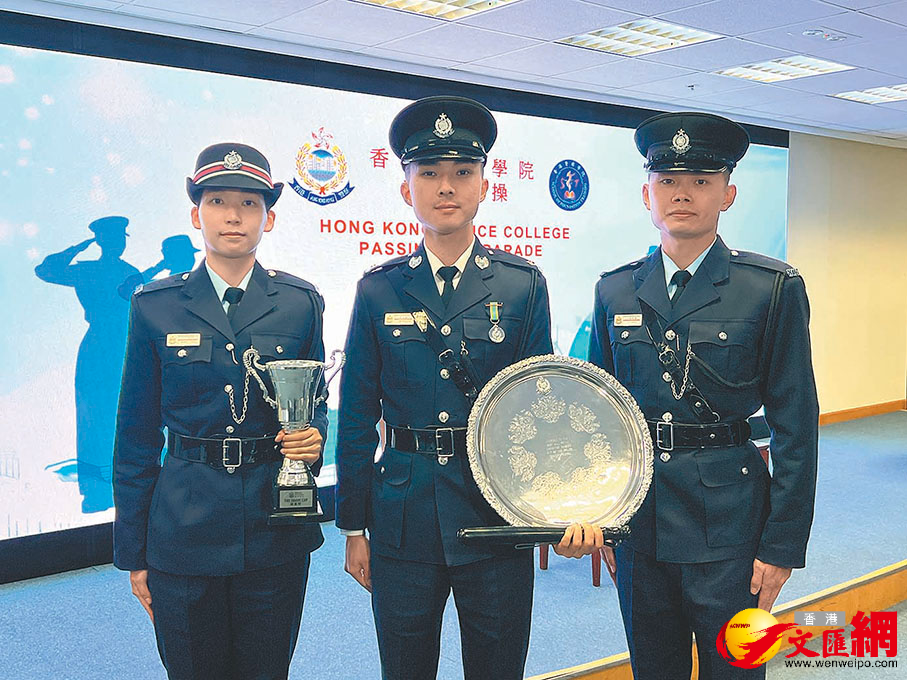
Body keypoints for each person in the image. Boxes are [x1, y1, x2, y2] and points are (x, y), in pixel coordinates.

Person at [335, 96, 601, 680]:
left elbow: (542, 408)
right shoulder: (379, 289)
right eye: (429, 173)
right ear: (406, 188)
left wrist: (559, 507)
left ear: (485, 185)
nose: (446, 186)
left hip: (495, 512)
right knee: (405, 668)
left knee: (498, 666)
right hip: (403, 514)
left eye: (462, 172)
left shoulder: (522, 285)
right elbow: (355, 414)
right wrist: (353, 525)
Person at [586, 112, 819, 679]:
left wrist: (782, 545)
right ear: (647, 194)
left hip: (731, 527)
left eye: (700, 181)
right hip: (640, 523)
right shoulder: (615, 289)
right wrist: (602, 515)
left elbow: (795, 424)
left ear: (728, 194)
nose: (682, 194)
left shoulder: (770, 288)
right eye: (667, 181)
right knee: (653, 668)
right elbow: (599, 418)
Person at [113, 142, 327, 680]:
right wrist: (133, 551)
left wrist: (314, 439)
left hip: (273, 526)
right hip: (183, 528)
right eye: (218, 201)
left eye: (249, 203)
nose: (234, 215)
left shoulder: (300, 303)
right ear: (196, 215)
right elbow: (136, 434)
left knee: (266, 670)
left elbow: (315, 404)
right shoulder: (155, 305)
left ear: (268, 218)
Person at [35, 215, 140, 512]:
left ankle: (113, 486)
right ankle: (97, 489)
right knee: (95, 415)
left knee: (117, 413)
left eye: (120, 239)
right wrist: (78, 247)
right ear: (103, 241)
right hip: (104, 347)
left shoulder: (127, 272)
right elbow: (45, 270)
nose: (118, 244)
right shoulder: (92, 270)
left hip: (121, 345)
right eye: (114, 238)